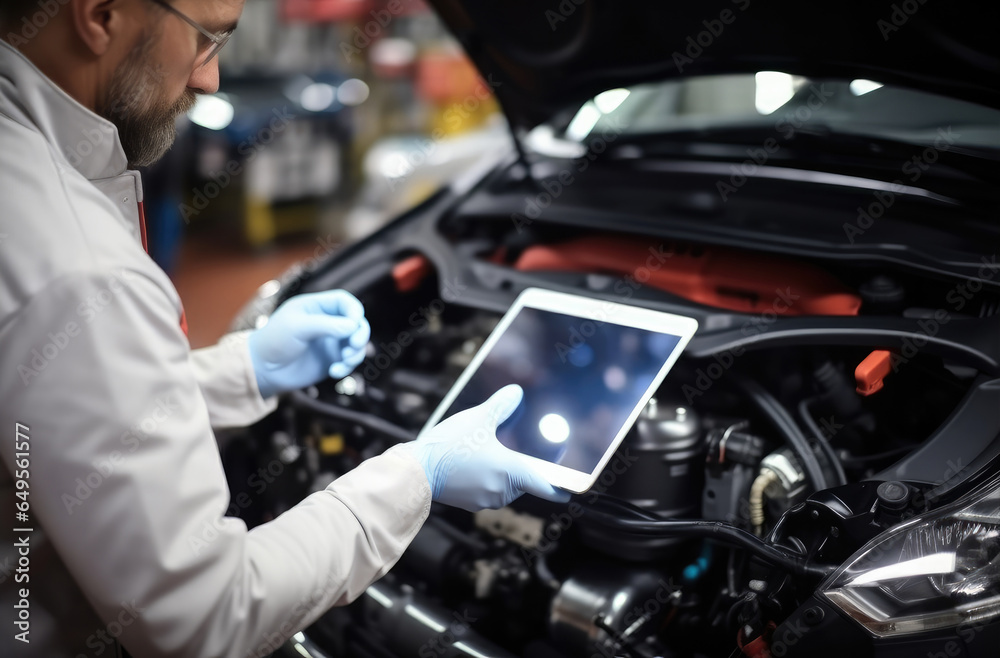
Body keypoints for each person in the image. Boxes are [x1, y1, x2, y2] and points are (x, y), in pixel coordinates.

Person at [0, 1, 568, 656]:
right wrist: (420, 475)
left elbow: (56, 408)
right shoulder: (80, 267)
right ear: (100, 15)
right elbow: (206, 615)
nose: (209, 79)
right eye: (208, 40)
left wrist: (246, 369)